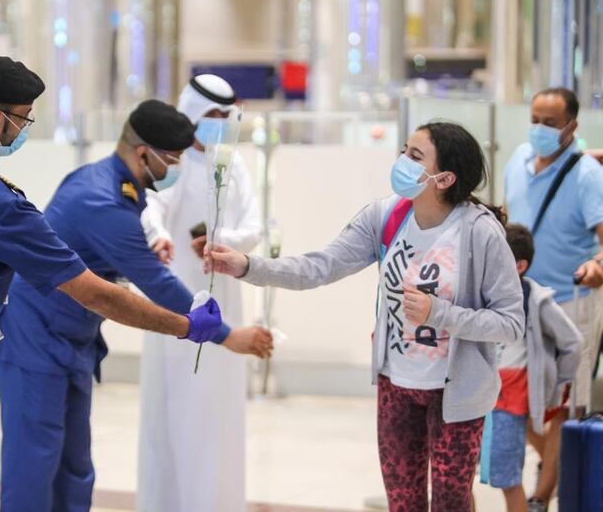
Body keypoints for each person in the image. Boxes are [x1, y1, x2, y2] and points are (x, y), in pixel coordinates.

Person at [0, 57, 224, 512]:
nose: (23, 130)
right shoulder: (0, 205)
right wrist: (185, 325)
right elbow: (94, 292)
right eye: (23, 119)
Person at [206, 122, 525, 512]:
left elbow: (510, 323)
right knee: (402, 503)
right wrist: (247, 266)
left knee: (451, 504)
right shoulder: (387, 215)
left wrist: (441, 314)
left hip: (457, 394)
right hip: (397, 385)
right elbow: (320, 267)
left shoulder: (480, 233)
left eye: (414, 156)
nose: (402, 161)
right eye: (405, 150)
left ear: (443, 178)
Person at [0, 99, 272, 512]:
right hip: (35, 341)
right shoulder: (101, 201)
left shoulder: (109, 184)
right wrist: (228, 335)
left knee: (74, 468)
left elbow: (106, 255)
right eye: (173, 160)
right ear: (145, 154)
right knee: (34, 467)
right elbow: (157, 285)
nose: (174, 169)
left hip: (70, 339)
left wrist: (139, 253)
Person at [137, 75, 262, 512]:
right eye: (212, 116)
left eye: (226, 117)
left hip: (222, 298)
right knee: (172, 414)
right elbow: (150, 207)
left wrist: (221, 240)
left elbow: (254, 226)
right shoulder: (170, 163)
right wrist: (156, 236)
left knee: (216, 417)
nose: (219, 125)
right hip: (172, 304)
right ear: (191, 115)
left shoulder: (234, 164)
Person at [503, 87, 603, 510]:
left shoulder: (587, 175)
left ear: (571, 127)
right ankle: (559, 466)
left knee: (562, 404)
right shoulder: (517, 160)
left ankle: (541, 498)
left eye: (550, 123)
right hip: (517, 302)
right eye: (535, 119)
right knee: (511, 398)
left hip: (570, 301)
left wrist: (597, 267)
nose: (540, 129)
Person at [480, 224, 582, 512]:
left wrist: (558, 383)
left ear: (520, 266)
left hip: (510, 398)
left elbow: (572, 342)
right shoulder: (482, 292)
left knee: (506, 478)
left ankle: (548, 483)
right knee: (464, 475)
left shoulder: (534, 300)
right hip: (480, 395)